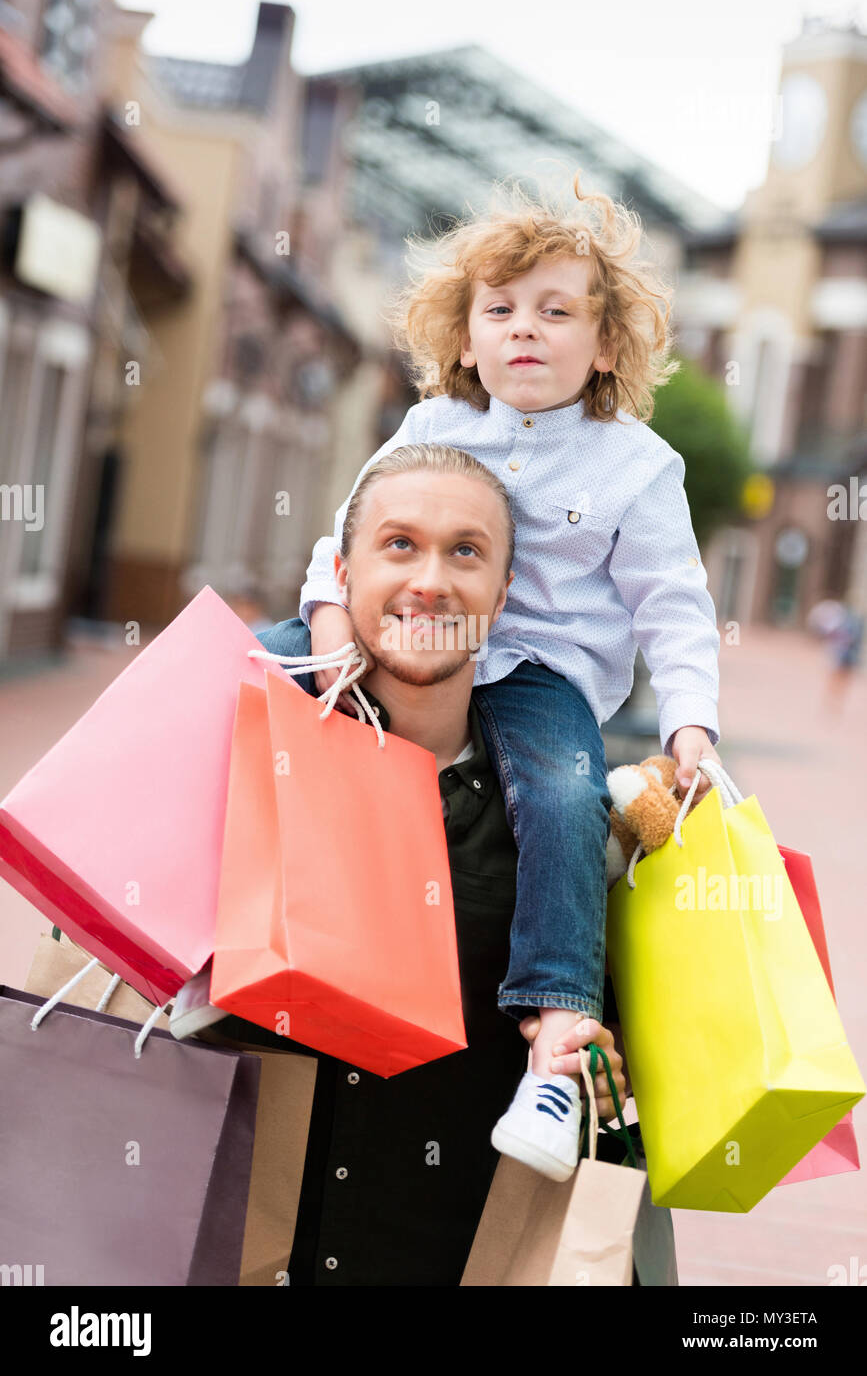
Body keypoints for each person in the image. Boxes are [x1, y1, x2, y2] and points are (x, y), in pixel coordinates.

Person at [296, 170, 722, 1180]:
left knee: (565, 799)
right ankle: (188, 935)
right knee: (246, 681)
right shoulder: (429, 428)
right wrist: (325, 630)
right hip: (397, 639)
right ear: (465, 334)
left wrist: (691, 726)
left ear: (606, 345)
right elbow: (344, 544)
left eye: (555, 311)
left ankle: (556, 1036)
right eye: (500, 309)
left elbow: (674, 601)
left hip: (534, 678)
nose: (524, 329)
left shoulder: (638, 465)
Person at [197, 444, 637, 1286]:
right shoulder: (242, 758)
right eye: (399, 544)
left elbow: (613, 1101)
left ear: (503, 597)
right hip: (223, 1255)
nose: (430, 581)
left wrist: (598, 1078)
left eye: (465, 552)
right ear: (338, 573)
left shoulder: (561, 832)